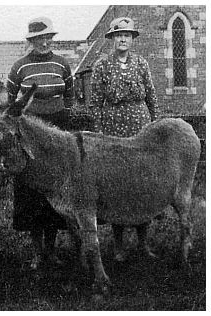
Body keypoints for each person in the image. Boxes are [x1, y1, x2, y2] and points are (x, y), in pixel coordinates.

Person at [6, 16, 75, 269]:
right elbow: (10, 102)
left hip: (56, 133)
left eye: (48, 37)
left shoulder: (62, 64)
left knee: (56, 189)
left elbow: (70, 95)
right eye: (39, 38)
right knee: (31, 192)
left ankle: (52, 249)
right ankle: (37, 252)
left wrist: (63, 120)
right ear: (31, 41)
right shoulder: (19, 67)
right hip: (29, 134)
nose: (45, 42)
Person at [90, 17, 159, 261]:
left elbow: (151, 96)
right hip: (113, 128)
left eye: (127, 35)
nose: (123, 39)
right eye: (119, 35)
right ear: (111, 38)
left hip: (140, 126)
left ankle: (143, 243)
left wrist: (155, 128)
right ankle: (118, 245)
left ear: (132, 39)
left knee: (141, 183)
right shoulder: (102, 65)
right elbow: (95, 103)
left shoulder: (141, 64)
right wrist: (100, 135)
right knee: (117, 185)